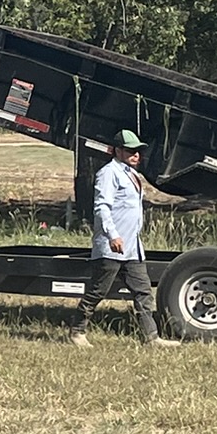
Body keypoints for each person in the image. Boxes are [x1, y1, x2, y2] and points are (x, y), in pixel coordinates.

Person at [74, 129, 176, 347]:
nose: (136, 155)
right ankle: (77, 331)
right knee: (98, 290)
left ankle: (151, 337)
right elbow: (102, 207)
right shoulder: (108, 173)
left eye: (138, 151)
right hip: (113, 246)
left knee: (143, 291)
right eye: (131, 151)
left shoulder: (131, 173)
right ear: (117, 151)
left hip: (132, 247)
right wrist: (113, 235)